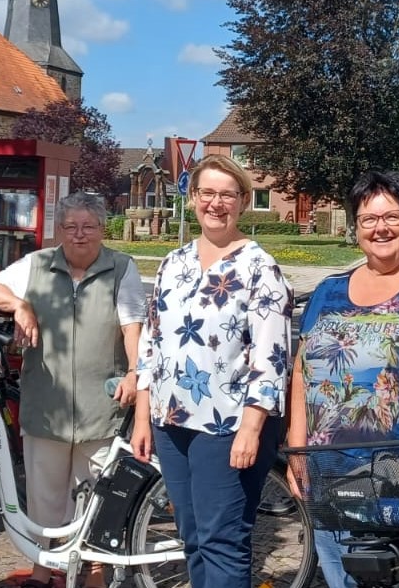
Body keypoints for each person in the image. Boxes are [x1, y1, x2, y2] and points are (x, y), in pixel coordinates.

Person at [285, 170, 399, 588]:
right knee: (340, 577)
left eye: (392, 216)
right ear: (356, 228)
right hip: (329, 476)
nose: (380, 228)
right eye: (368, 219)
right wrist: (297, 452)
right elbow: (302, 374)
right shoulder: (326, 291)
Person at [131, 153, 293, 588]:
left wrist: (251, 429)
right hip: (171, 421)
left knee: (222, 539)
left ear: (242, 201)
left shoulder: (260, 268)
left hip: (227, 425)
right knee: (193, 538)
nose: (215, 204)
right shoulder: (173, 263)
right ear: (192, 198)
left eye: (227, 195)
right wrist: (143, 417)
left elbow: (272, 356)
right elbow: (152, 343)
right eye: (207, 193)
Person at [0, 193, 147, 588]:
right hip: (46, 406)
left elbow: (132, 327)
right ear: (59, 231)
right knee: (45, 497)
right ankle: (42, 570)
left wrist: (135, 372)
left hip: (102, 406)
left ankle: (96, 573)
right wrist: (20, 305)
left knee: (98, 497)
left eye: (88, 227)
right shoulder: (37, 265)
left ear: (103, 230)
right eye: (70, 227)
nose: (79, 235)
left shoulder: (121, 268)